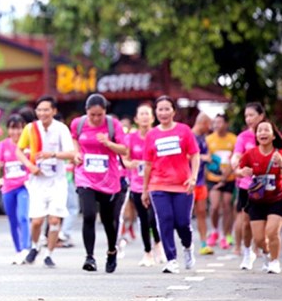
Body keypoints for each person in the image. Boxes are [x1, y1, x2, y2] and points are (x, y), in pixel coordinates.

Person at [142, 96, 200, 274]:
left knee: (182, 223)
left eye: (167, 109)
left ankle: (188, 247)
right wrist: (145, 190)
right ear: (155, 113)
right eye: (160, 109)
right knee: (165, 220)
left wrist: (193, 177)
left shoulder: (184, 131)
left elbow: (195, 154)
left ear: (174, 111)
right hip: (158, 185)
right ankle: (171, 259)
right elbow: (148, 164)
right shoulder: (151, 134)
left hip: (182, 185)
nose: (164, 113)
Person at [70, 93, 128, 273]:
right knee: (88, 215)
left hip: (108, 179)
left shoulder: (113, 125)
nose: (95, 119)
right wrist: (76, 152)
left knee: (108, 220)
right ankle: (90, 257)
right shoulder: (78, 124)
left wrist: (108, 143)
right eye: (92, 115)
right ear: (86, 112)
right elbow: (74, 139)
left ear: (105, 112)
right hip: (85, 176)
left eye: (99, 115)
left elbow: (124, 149)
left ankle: (112, 251)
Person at [16, 96, 74, 268]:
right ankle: (35, 246)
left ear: (54, 111)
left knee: (55, 220)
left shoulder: (61, 129)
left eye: (46, 110)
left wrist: (53, 155)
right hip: (37, 181)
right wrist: (29, 166)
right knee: (37, 221)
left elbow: (70, 153)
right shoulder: (30, 128)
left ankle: (49, 253)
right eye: (39, 110)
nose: (43, 113)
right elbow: (18, 151)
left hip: (57, 180)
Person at [235, 119, 282, 274]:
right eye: (259, 130)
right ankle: (267, 253)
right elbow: (238, 170)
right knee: (259, 239)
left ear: (274, 136)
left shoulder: (281, 155)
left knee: (272, 232)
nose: (262, 133)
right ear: (256, 135)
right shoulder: (250, 154)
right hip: (257, 200)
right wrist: (242, 172)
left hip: (277, 198)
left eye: (266, 130)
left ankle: (275, 261)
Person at [122, 102, 163, 267]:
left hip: (157, 182)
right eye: (142, 114)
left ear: (153, 118)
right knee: (143, 219)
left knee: (154, 217)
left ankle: (158, 243)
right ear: (136, 119)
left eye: (148, 114)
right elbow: (125, 158)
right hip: (138, 184)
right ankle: (147, 252)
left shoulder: (158, 135)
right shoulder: (130, 138)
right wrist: (129, 163)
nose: (145, 117)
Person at [231, 102, 266, 270]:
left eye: (252, 115)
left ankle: (266, 252)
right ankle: (247, 252)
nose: (248, 119)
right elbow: (236, 156)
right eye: (246, 116)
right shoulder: (243, 137)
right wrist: (235, 165)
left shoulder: (271, 135)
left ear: (261, 116)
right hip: (247, 186)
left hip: (268, 186)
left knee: (266, 223)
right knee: (246, 222)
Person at [0, 114, 30, 264]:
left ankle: (26, 248)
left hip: (24, 187)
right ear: (8, 130)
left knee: (23, 216)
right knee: (13, 220)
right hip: (8, 188)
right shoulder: (3, 145)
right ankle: (19, 250)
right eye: (13, 128)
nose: (16, 132)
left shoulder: (29, 145)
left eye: (19, 128)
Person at [205, 114, 238, 250]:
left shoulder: (233, 139)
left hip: (229, 178)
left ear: (226, 124)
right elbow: (206, 159)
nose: (217, 125)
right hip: (213, 178)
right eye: (215, 123)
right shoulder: (209, 139)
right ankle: (214, 231)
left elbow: (236, 158)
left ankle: (226, 235)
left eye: (219, 123)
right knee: (214, 206)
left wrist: (227, 175)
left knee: (226, 206)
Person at [192, 113, 214, 255]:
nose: (210, 128)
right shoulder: (189, 136)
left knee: (201, 212)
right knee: (183, 215)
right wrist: (201, 157)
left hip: (200, 182)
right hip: (187, 181)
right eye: (209, 124)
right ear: (203, 122)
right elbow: (185, 156)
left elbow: (209, 156)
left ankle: (204, 243)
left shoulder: (203, 139)